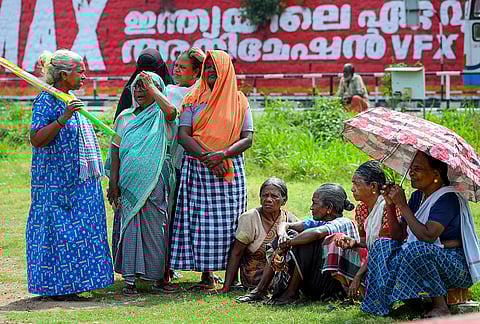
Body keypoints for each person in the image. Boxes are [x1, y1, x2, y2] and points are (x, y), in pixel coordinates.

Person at [26, 49, 113, 299]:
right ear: (64, 75)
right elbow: (37, 139)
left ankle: (77, 285)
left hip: (79, 182)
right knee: (58, 234)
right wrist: (64, 118)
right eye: (80, 71)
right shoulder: (48, 100)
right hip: (55, 183)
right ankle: (56, 288)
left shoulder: (70, 97)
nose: (85, 76)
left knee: (83, 231)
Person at [169, 50, 254, 289]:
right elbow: (183, 135)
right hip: (199, 167)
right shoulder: (193, 98)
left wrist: (223, 155)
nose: (210, 75)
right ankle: (206, 274)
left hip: (229, 170)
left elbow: (247, 138)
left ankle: (231, 276)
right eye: (207, 70)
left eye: (215, 71)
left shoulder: (239, 101)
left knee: (231, 224)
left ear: (226, 72)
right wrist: (209, 158)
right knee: (200, 222)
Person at [361, 151, 480, 317]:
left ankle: (440, 307)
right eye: (411, 168)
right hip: (424, 255)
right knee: (382, 246)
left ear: (436, 174)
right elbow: (397, 236)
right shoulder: (418, 196)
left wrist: (402, 205)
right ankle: (387, 304)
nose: (411, 173)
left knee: (418, 249)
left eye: (417, 169)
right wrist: (390, 205)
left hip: (454, 265)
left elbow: (428, 236)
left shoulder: (448, 198)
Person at [106, 70, 178, 295]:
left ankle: (156, 278)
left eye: (144, 87)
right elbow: (115, 152)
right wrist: (113, 184)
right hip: (128, 182)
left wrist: (153, 88)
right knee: (129, 227)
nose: (139, 91)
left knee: (156, 226)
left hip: (156, 180)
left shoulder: (161, 114)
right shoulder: (125, 117)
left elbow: (172, 111)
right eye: (136, 86)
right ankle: (130, 279)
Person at [260, 183, 360, 305]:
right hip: (319, 278)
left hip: (336, 285)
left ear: (328, 207)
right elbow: (285, 225)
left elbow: (316, 233)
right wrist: (282, 237)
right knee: (290, 233)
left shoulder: (343, 222)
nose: (311, 207)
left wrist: (288, 243)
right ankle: (261, 289)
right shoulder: (321, 221)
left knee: (306, 242)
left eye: (315, 203)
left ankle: (290, 293)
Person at [213, 177, 297, 295]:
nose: (268, 199)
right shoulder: (250, 218)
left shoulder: (289, 218)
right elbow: (236, 253)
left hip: (282, 273)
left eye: (274, 196)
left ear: (284, 200)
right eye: (265, 195)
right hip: (255, 278)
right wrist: (226, 286)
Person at [336, 160, 399, 298]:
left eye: (357, 184)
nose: (352, 189)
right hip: (373, 256)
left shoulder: (388, 207)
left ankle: (371, 293)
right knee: (335, 243)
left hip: (387, 257)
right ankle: (352, 293)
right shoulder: (362, 209)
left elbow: (382, 246)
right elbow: (366, 240)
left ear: (373, 186)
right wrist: (354, 242)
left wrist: (359, 275)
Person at [114, 48, 173, 120]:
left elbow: (172, 114)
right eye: (138, 85)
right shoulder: (131, 91)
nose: (146, 78)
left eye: (152, 73)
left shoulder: (172, 92)